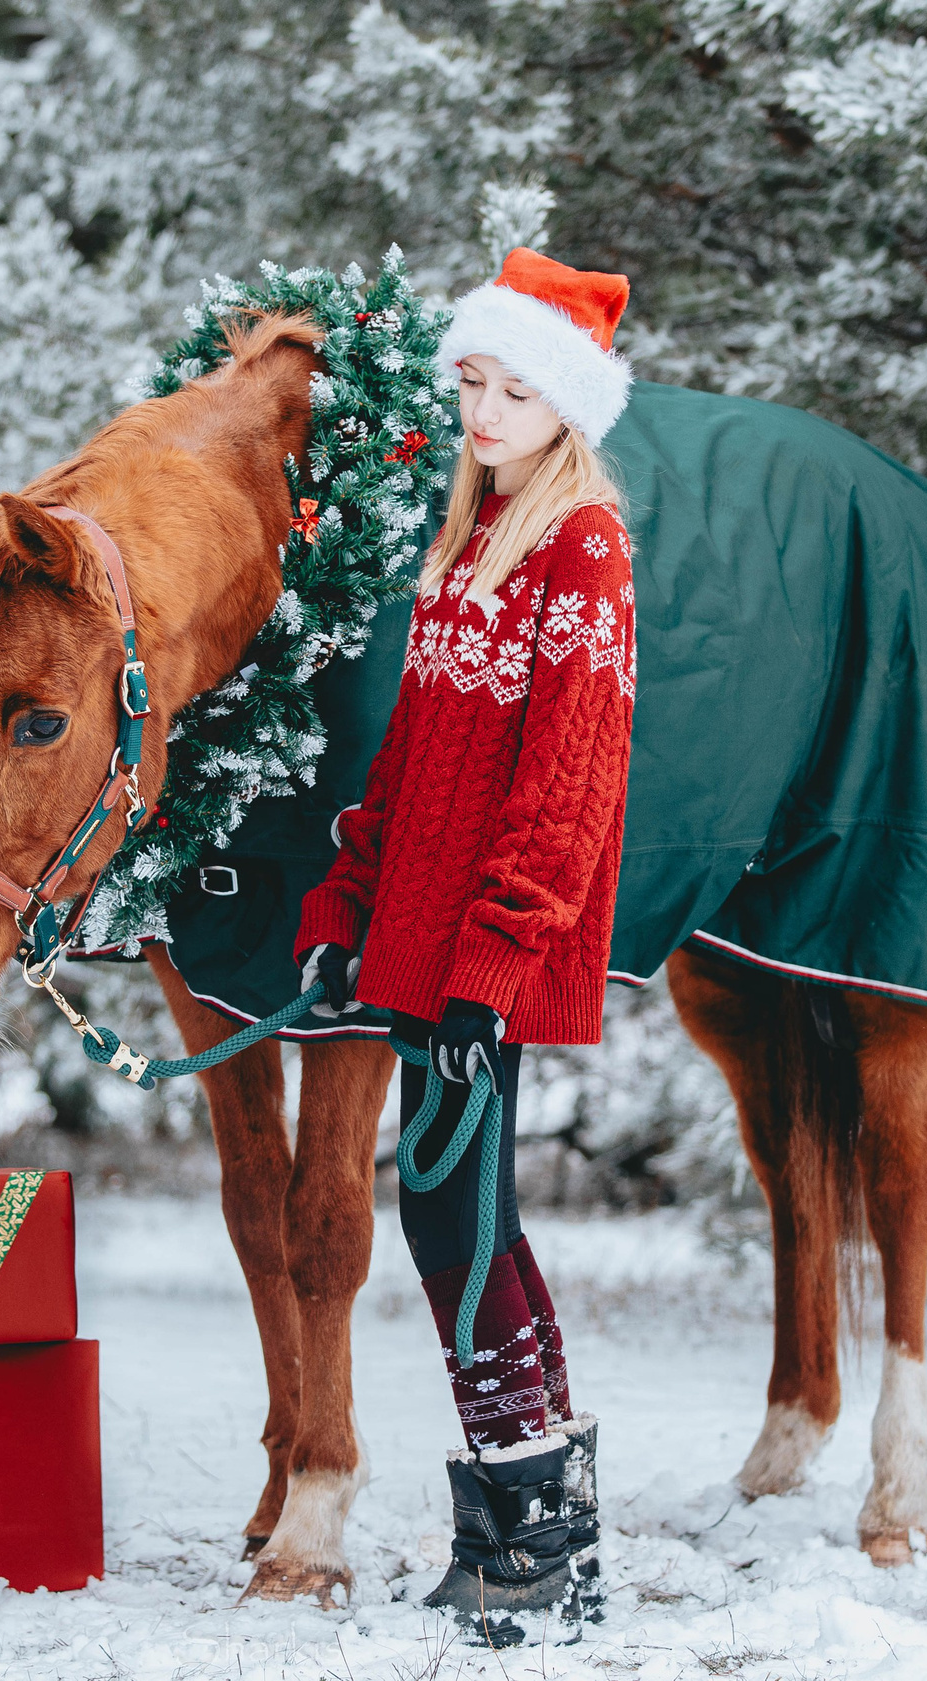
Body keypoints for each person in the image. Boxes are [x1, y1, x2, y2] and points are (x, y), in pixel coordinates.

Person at [293, 247, 636, 1645]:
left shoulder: (579, 548)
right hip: (416, 949)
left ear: (567, 404)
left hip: (483, 959)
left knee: (453, 1212)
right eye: (474, 384)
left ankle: (527, 1531)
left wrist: (492, 971)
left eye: (515, 390)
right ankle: (541, 1508)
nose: (485, 412)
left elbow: (569, 784)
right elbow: (414, 767)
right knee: (470, 1211)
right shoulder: (468, 543)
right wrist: (342, 916)